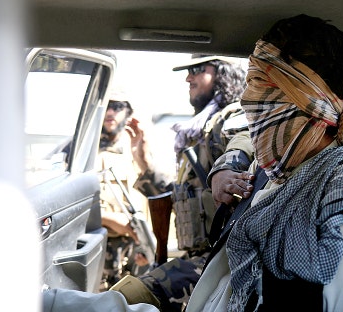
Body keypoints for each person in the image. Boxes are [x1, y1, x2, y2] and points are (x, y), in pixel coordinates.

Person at [186, 14, 343, 312]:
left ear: (311, 101)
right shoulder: (271, 173)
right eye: (249, 82)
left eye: (261, 84)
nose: (247, 99)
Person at [111, 55, 255, 312]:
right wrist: (145, 163)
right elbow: (184, 197)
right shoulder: (198, 133)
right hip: (196, 255)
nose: (189, 77)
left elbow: (243, 141)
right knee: (124, 292)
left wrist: (225, 168)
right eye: (188, 71)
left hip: (222, 257)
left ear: (223, 73)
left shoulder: (232, 117)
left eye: (198, 70)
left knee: (130, 296)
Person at [95, 94, 155, 291]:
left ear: (129, 114)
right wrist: (110, 219)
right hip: (100, 250)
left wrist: (147, 248)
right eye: (108, 106)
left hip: (135, 251)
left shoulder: (139, 151)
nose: (111, 112)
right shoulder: (85, 151)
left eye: (118, 107)